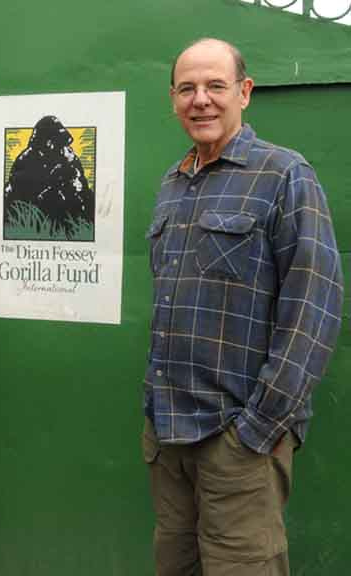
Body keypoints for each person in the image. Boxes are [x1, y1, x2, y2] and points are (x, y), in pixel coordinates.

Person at [143, 38, 343, 575]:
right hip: (169, 437)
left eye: (215, 86)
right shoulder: (173, 183)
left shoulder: (283, 175)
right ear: (173, 98)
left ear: (244, 92)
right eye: (187, 88)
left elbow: (315, 308)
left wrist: (258, 428)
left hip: (237, 439)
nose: (200, 100)